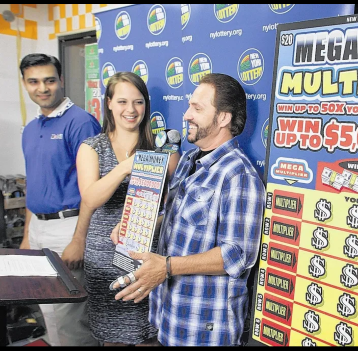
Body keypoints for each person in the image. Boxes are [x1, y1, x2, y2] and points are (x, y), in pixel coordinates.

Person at [111, 73, 266, 346]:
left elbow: (237, 255)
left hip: (204, 329)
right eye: (189, 106)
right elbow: (179, 217)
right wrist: (138, 223)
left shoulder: (238, 175)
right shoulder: (188, 160)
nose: (186, 115)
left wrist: (167, 267)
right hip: (171, 315)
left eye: (197, 108)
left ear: (223, 118)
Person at [76, 71, 180, 346]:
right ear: (108, 103)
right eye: (122, 102)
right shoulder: (92, 147)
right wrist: (125, 166)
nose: (131, 110)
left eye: (139, 102)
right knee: (113, 338)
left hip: (150, 257)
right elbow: (90, 198)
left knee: (151, 336)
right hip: (105, 258)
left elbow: (174, 202)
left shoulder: (163, 145)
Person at [19, 53, 101, 346]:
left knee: (71, 319)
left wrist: (79, 239)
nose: (43, 87)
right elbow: (34, 184)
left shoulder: (81, 123)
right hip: (38, 228)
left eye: (49, 80)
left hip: (69, 227)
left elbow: (96, 190)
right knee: (49, 313)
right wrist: (28, 235)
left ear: (61, 80)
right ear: (25, 85)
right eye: (34, 81)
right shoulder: (30, 129)